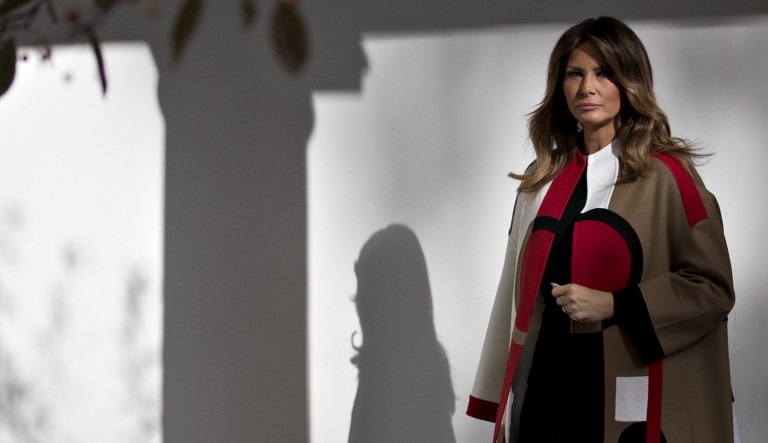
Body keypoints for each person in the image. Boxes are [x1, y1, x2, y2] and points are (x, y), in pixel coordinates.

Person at [467, 17, 735, 443]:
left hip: (627, 393)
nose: (587, 87)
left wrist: (616, 304)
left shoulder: (668, 177)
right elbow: (514, 297)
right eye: (575, 73)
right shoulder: (541, 180)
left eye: (604, 73)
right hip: (547, 392)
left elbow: (712, 287)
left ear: (629, 83)